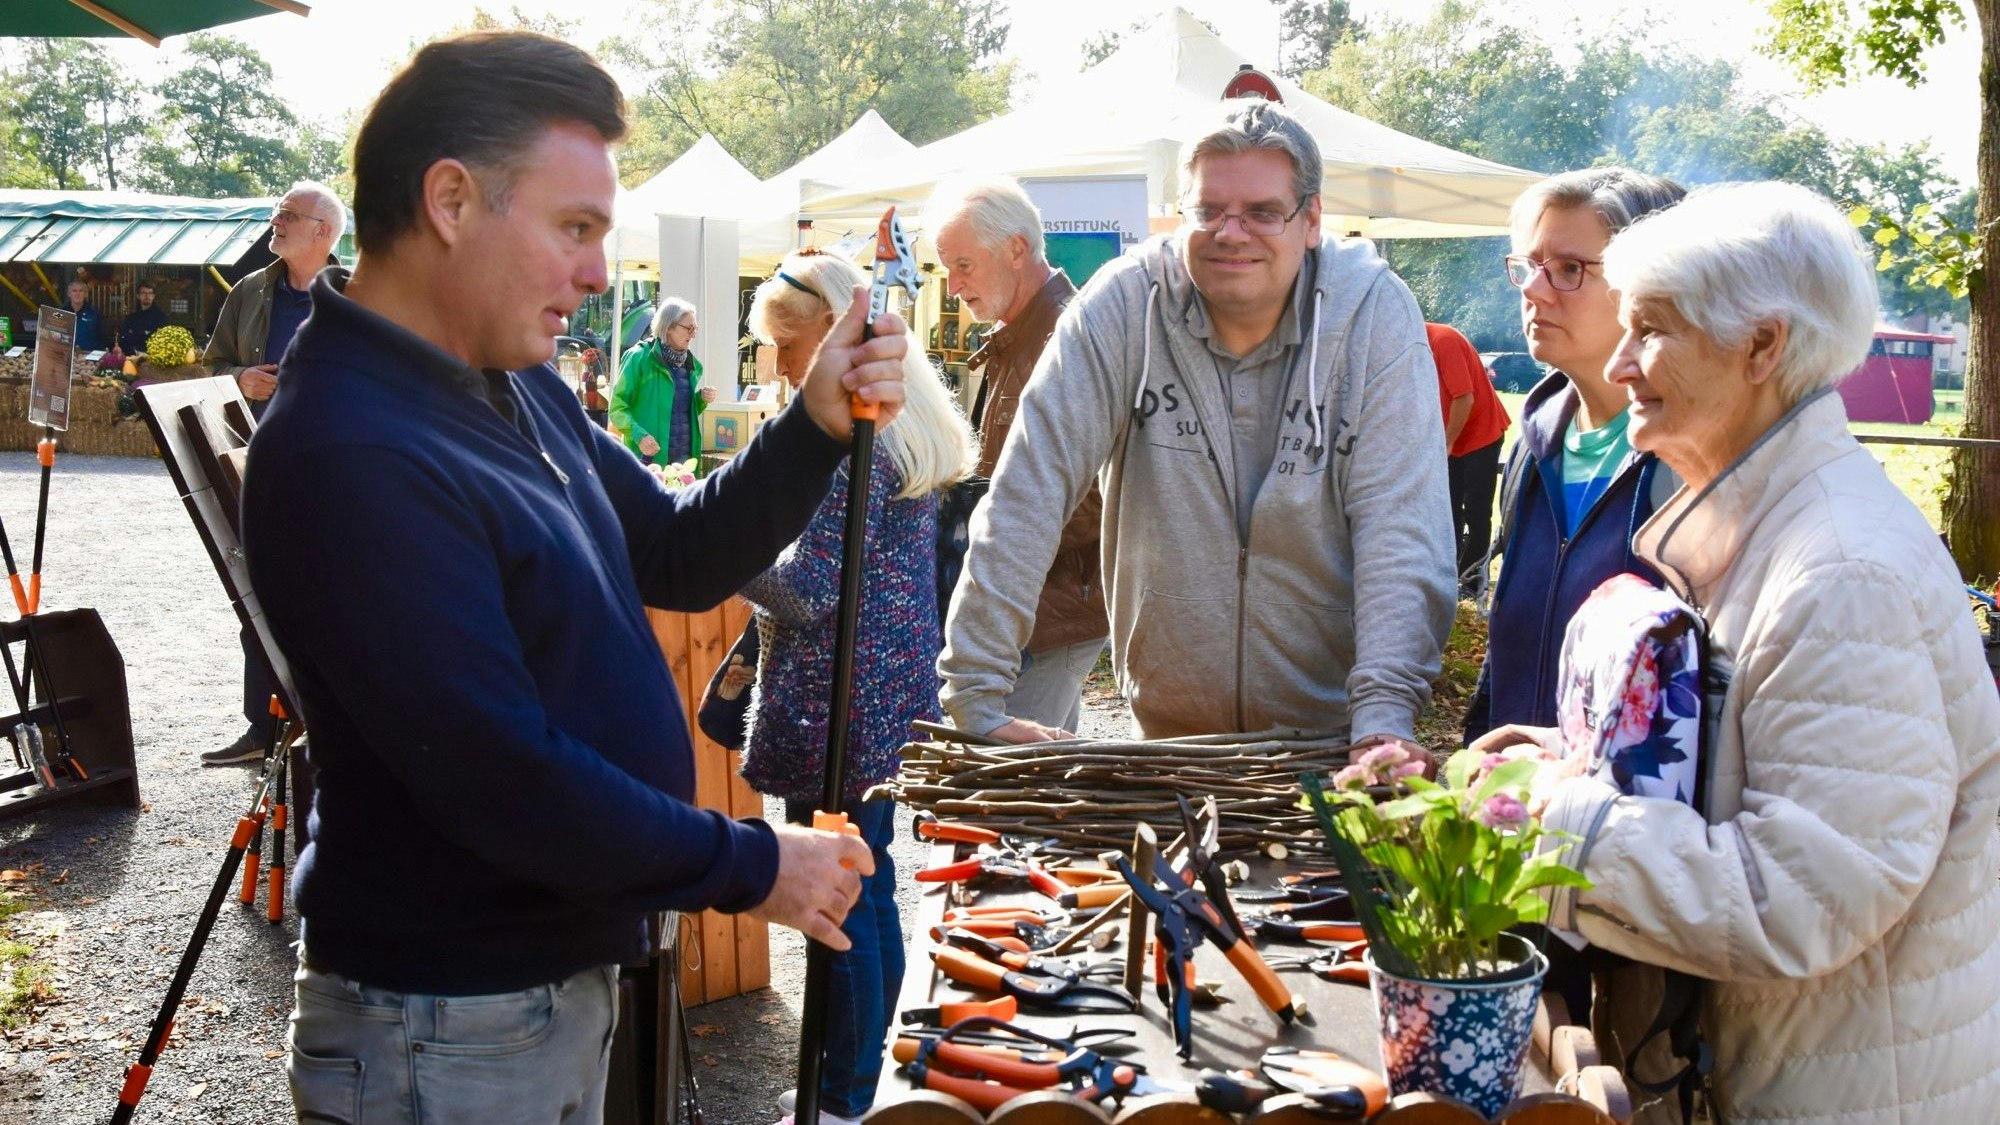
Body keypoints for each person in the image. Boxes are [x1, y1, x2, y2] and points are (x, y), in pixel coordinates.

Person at [237, 33, 903, 1124]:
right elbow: (504, 780)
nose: (598, 272)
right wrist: (751, 863)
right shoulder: (351, 449)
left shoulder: (509, 381)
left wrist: (814, 422)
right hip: (441, 1029)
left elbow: (675, 554)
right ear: (450, 199)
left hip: (536, 990)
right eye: (575, 228)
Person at [1482, 181, 2000, 1125]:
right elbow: (1748, 785)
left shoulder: (1842, 574)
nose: (1625, 361)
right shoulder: (1767, 527)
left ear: (1763, 346)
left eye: (1654, 330)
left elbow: (1800, 900)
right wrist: (1574, 762)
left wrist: (1556, 816)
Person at [939, 99, 1454, 751]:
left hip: (1333, 742)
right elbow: (1026, 493)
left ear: (1313, 220)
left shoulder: (1371, 316)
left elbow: (1401, 526)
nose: (1231, 232)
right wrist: (977, 693)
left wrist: (1383, 716)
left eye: (1263, 212)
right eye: (1209, 211)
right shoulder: (1124, 306)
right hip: (1166, 740)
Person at [739, 251, 975, 1125]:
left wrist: (718, 548)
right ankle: (862, 1081)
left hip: (841, 694)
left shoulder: (855, 440)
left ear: (839, 328)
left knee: (840, 899)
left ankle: (843, 1096)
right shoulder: (899, 418)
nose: (781, 366)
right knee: (868, 888)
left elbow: (808, 590)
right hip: (882, 683)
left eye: (789, 344)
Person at [1462, 169, 1685, 744]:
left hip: (1633, 819)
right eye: (1529, 266)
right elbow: (1512, 641)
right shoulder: (1534, 443)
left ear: (1653, 287)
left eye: (1568, 270)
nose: (1535, 290)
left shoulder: (1693, 459)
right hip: (1517, 811)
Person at [925, 177, 1107, 734]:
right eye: (947, 269)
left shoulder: (1069, 337)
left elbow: (1104, 494)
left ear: (1017, 249)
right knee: (1042, 796)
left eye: (963, 265)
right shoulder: (1023, 335)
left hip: (1049, 611)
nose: (953, 287)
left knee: (1008, 796)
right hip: (1033, 607)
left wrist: (989, 517)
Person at [200, 179, 348, 767]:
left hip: (337, 474)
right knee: (258, 595)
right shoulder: (248, 292)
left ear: (323, 232)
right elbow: (210, 366)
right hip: (257, 466)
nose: (276, 220)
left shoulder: (361, 296)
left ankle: (335, 726)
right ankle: (262, 726)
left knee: (337, 596)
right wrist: (240, 380)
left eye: (289, 214)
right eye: (277, 211)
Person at [1425, 322, 1509, 593]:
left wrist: (1447, 442)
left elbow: (1464, 398)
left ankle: (1473, 581)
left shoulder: (1442, 340)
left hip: (1481, 434)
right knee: (1446, 510)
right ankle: (1449, 574)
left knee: (1476, 510)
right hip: (1450, 439)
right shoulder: (1412, 348)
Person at [611, 297, 715, 464]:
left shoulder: (691, 365)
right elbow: (617, 408)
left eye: (695, 328)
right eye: (689, 328)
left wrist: (700, 400)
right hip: (648, 461)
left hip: (685, 463)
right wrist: (640, 435)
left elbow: (677, 411)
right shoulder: (638, 358)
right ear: (668, 327)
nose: (694, 334)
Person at [117, 280, 168, 355]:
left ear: (153, 296)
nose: (147, 296)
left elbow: (160, 342)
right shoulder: (131, 318)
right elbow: (123, 339)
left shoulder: (160, 318)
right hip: (131, 358)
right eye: (143, 293)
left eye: (150, 293)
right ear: (138, 296)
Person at [65, 278, 105, 351]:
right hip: (65, 357)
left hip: (88, 359)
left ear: (86, 294)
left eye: (81, 291)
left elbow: (101, 339)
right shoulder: (61, 312)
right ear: (69, 294)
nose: (78, 294)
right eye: (74, 291)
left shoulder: (94, 313)